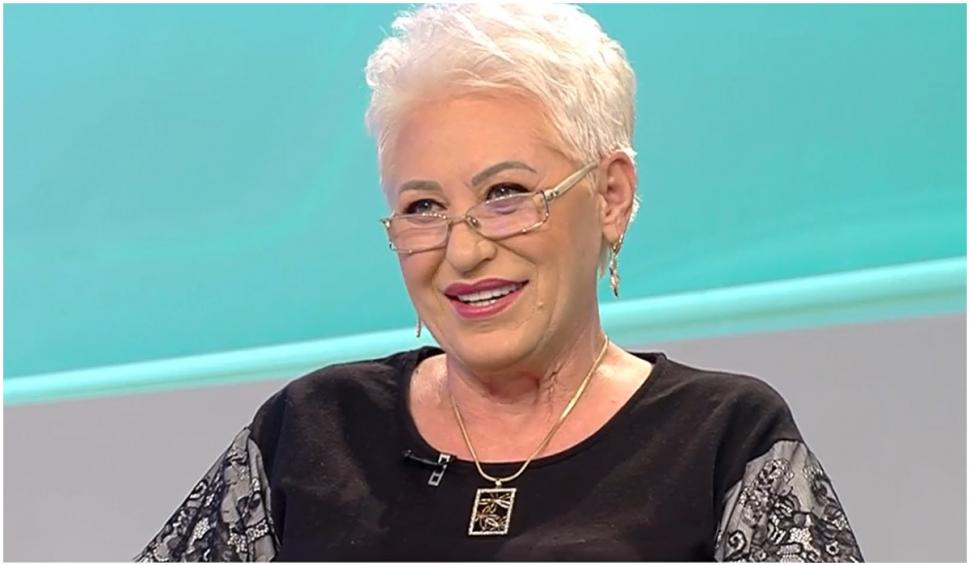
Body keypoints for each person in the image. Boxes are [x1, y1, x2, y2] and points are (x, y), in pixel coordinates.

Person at [135, 4, 863, 562]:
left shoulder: (724, 441)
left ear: (610, 195)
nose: (463, 250)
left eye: (505, 194)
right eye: (423, 207)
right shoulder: (312, 431)